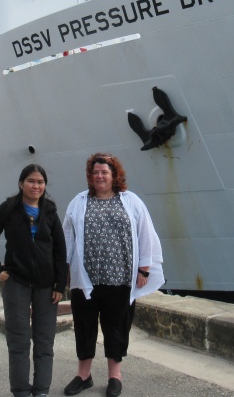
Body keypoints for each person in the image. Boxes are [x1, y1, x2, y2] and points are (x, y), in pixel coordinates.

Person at [62, 153, 164, 397]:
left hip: (119, 279)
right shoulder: (79, 201)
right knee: (84, 326)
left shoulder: (130, 201)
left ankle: (114, 377)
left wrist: (144, 269)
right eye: (95, 172)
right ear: (90, 176)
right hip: (85, 279)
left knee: (116, 327)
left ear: (114, 175)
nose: (100, 176)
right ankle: (83, 375)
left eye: (104, 172)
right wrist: (64, 269)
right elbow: (67, 235)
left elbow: (145, 234)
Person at [0, 164, 67, 397]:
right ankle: (20, 390)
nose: (36, 186)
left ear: (45, 186)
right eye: (31, 181)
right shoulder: (8, 209)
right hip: (16, 282)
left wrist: (60, 285)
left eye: (40, 182)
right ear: (21, 183)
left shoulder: (49, 211)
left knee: (44, 342)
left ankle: (41, 390)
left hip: (46, 285)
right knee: (18, 342)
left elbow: (60, 249)